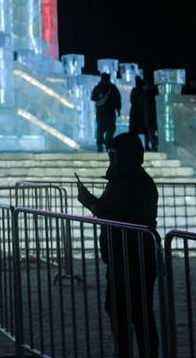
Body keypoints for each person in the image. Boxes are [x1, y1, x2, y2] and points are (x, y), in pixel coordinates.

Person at [77, 132, 159, 358]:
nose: (111, 158)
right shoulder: (122, 179)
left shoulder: (135, 181)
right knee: (121, 310)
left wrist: (91, 203)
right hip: (122, 254)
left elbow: (118, 214)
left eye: (114, 153)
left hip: (133, 255)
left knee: (136, 313)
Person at [91, 72, 122, 152]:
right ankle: (106, 142)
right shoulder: (113, 88)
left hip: (101, 112)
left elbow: (93, 98)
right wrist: (118, 110)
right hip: (109, 113)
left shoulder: (98, 87)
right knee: (110, 128)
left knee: (101, 129)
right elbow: (118, 100)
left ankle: (100, 144)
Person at [128, 77, 148, 148]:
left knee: (133, 131)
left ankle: (132, 145)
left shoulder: (134, 91)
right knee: (145, 130)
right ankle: (146, 145)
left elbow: (132, 100)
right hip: (141, 113)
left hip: (135, 113)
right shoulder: (144, 91)